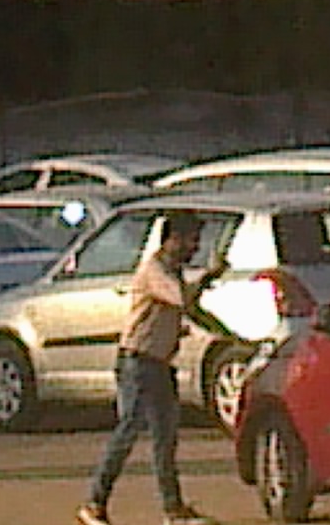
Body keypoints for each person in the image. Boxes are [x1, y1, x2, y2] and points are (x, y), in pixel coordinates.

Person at [78, 212, 228, 525]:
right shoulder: (155, 269)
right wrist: (208, 276)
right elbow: (184, 301)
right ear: (172, 239)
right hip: (138, 363)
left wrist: (230, 336)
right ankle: (94, 505)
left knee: (165, 437)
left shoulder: (173, 271)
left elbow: (193, 312)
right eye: (190, 240)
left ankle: (173, 511)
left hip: (159, 364)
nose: (194, 247)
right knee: (127, 433)